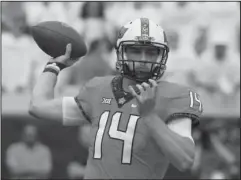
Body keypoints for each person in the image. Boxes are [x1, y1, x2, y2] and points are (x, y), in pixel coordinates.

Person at [29, 18, 203, 179]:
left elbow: (185, 160)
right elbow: (38, 106)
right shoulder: (98, 89)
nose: (143, 59)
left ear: (161, 55)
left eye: (151, 52)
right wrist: (53, 66)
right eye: (135, 51)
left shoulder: (174, 95)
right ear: (121, 52)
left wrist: (150, 116)